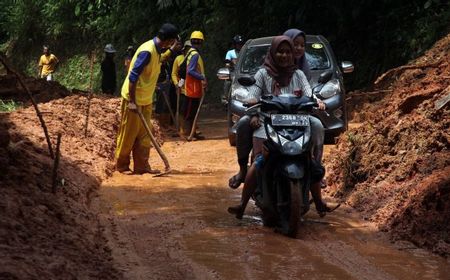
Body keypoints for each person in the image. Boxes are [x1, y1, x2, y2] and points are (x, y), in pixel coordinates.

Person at [227, 36, 336, 219]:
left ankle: (318, 201)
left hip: (297, 123)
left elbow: (309, 94)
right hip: (268, 122)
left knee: (308, 160)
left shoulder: (299, 75)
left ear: (292, 54)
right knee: (259, 161)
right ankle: (242, 204)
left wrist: (317, 102)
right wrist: (254, 111)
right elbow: (252, 95)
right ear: (273, 53)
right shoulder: (262, 74)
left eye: (287, 52)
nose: (284, 55)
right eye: (280, 51)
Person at [115, 23, 179, 174]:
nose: (172, 44)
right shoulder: (147, 51)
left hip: (146, 99)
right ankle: (122, 165)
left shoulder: (157, 50)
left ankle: (142, 166)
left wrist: (170, 51)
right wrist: (132, 100)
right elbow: (133, 76)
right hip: (134, 99)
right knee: (128, 133)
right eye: (172, 41)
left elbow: (160, 59)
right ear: (167, 40)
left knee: (144, 135)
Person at [183, 30, 207, 140]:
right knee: (191, 112)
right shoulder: (195, 55)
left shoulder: (190, 52)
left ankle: (193, 132)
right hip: (192, 87)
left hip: (192, 87)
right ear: (201, 42)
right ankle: (188, 134)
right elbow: (191, 71)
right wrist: (202, 77)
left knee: (192, 110)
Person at [171, 40, 193, 135]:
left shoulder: (194, 58)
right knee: (181, 110)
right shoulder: (178, 59)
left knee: (191, 109)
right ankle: (180, 128)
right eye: (187, 49)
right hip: (182, 88)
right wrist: (177, 84)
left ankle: (191, 129)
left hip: (192, 88)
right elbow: (174, 74)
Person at [222, 35, 244, 105]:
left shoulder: (246, 52)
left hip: (244, 72)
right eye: (238, 44)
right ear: (235, 44)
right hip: (233, 72)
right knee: (228, 81)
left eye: (241, 44)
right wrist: (230, 63)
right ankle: (225, 98)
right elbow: (227, 64)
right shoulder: (230, 53)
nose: (239, 45)